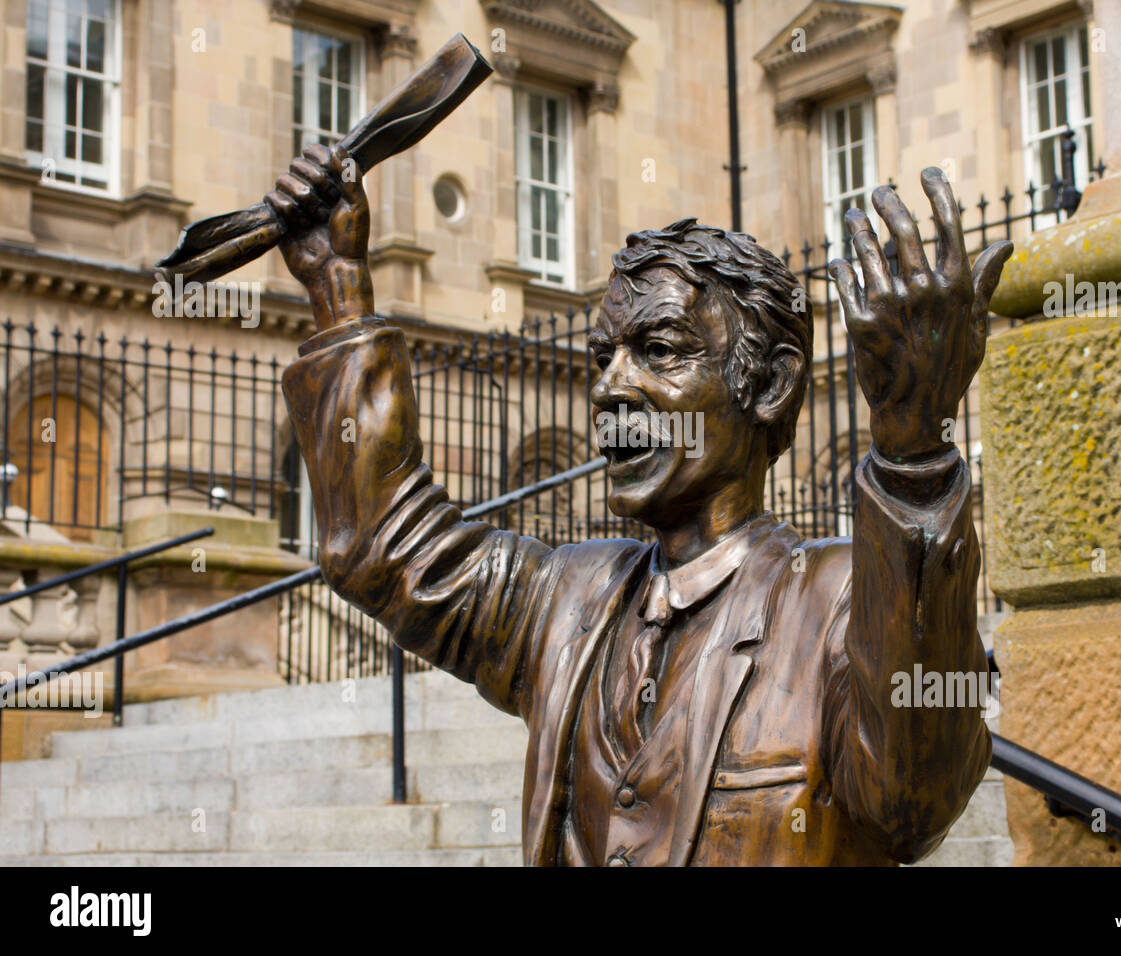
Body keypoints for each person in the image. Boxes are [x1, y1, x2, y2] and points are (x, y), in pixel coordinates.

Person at [272, 143, 1012, 865]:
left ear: (771, 385)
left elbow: (910, 801)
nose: (609, 387)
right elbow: (385, 548)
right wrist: (337, 288)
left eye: (658, 351)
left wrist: (914, 453)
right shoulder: (565, 598)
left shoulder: (841, 599)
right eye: (604, 358)